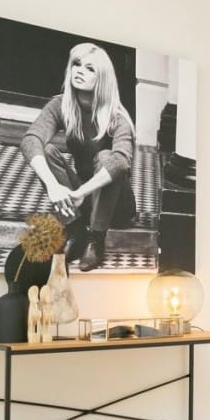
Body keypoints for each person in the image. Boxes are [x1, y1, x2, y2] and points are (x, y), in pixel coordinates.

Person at [20, 43, 136, 272]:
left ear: (102, 78)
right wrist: (53, 186)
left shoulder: (117, 116)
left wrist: (81, 192)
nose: (80, 71)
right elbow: (30, 140)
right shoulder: (61, 105)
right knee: (47, 150)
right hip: (81, 199)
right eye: (77, 64)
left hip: (117, 206)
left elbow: (121, 161)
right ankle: (75, 230)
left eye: (90, 68)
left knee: (106, 157)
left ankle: (96, 239)